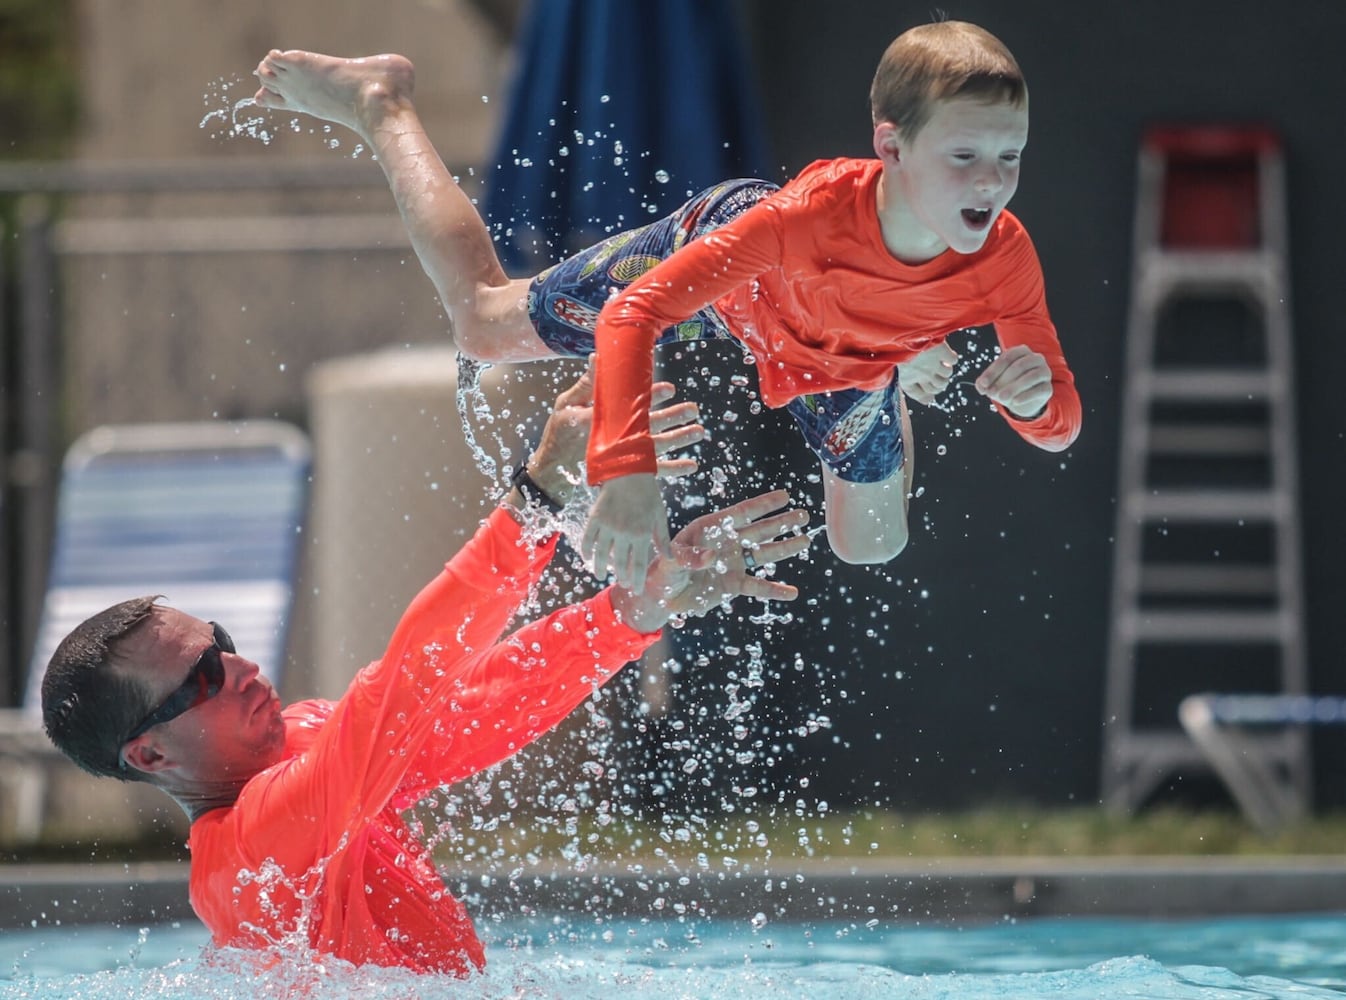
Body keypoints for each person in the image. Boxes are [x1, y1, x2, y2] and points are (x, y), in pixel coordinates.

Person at [250, 18, 1081, 592]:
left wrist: (1040, 405)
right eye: (965, 154)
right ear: (891, 146)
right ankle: (380, 104)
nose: (990, 180)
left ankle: (891, 367)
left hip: (839, 353)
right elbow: (634, 315)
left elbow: (1062, 422)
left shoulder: (1004, 257)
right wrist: (626, 466)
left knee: (871, 546)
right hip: (740, 275)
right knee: (483, 324)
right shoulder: (796, 221)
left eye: (1010, 155)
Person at [40, 369, 811, 976]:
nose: (240, 667)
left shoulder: (309, 740)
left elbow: (470, 709)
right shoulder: (245, 854)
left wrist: (630, 614)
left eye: (225, 642)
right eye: (202, 676)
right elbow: (401, 683)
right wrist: (536, 499)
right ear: (149, 754)